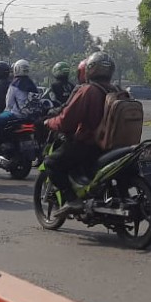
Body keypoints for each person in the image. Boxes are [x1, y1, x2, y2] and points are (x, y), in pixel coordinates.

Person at [44, 52, 120, 216]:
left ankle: (72, 200)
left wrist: (48, 122)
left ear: (90, 70)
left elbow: (66, 121)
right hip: (114, 146)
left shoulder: (88, 91)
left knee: (52, 162)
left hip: (89, 145)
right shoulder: (118, 90)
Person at [0, 60, 40, 151]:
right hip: (30, 116)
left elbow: (9, 103)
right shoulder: (32, 84)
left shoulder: (14, 84)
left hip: (15, 115)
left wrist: (6, 111)